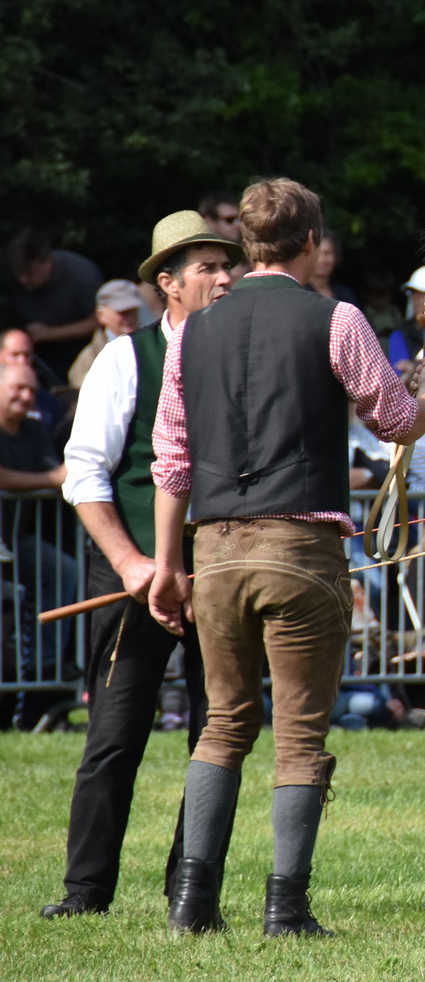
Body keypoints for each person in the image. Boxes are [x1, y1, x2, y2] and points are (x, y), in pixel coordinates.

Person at [147, 177, 425, 937]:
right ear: (311, 242)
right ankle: (286, 908)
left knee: (222, 725)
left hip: (212, 552)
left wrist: (165, 563)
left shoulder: (190, 331)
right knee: (302, 733)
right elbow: (397, 419)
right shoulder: (336, 318)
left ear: (247, 246)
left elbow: (172, 458)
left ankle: (193, 905)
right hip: (301, 552)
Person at [42, 211, 242, 920]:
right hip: (130, 577)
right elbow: (85, 472)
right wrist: (133, 563)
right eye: (208, 267)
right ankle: (85, 891)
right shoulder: (126, 359)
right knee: (115, 736)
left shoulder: (241, 358)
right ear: (168, 283)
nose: (226, 277)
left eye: (230, 264)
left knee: (216, 737)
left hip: (218, 574)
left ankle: (190, 892)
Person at [0, 362, 78, 729]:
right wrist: (46, 478)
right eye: (18, 388)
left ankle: (45, 668)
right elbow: (53, 476)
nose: (27, 396)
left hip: (18, 539)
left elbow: (61, 476)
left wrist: (51, 477)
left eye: (31, 390)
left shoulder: (33, 429)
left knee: (64, 570)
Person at [4, 228, 103, 379]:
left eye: (29, 273)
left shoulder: (81, 275)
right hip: (34, 362)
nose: (23, 279)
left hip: (82, 361)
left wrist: (50, 333)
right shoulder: (12, 279)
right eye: (19, 272)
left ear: (47, 263)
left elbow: (99, 319)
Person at [67, 280, 146, 389]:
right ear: (101, 315)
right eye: (122, 312)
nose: (129, 318)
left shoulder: (153, 345)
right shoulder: (90, 359)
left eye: (133, 310)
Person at [307, 231, 358, 306]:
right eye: (318, 254)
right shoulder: (298, 292)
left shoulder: (346, 295)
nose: (322, 260)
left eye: (327, 253)